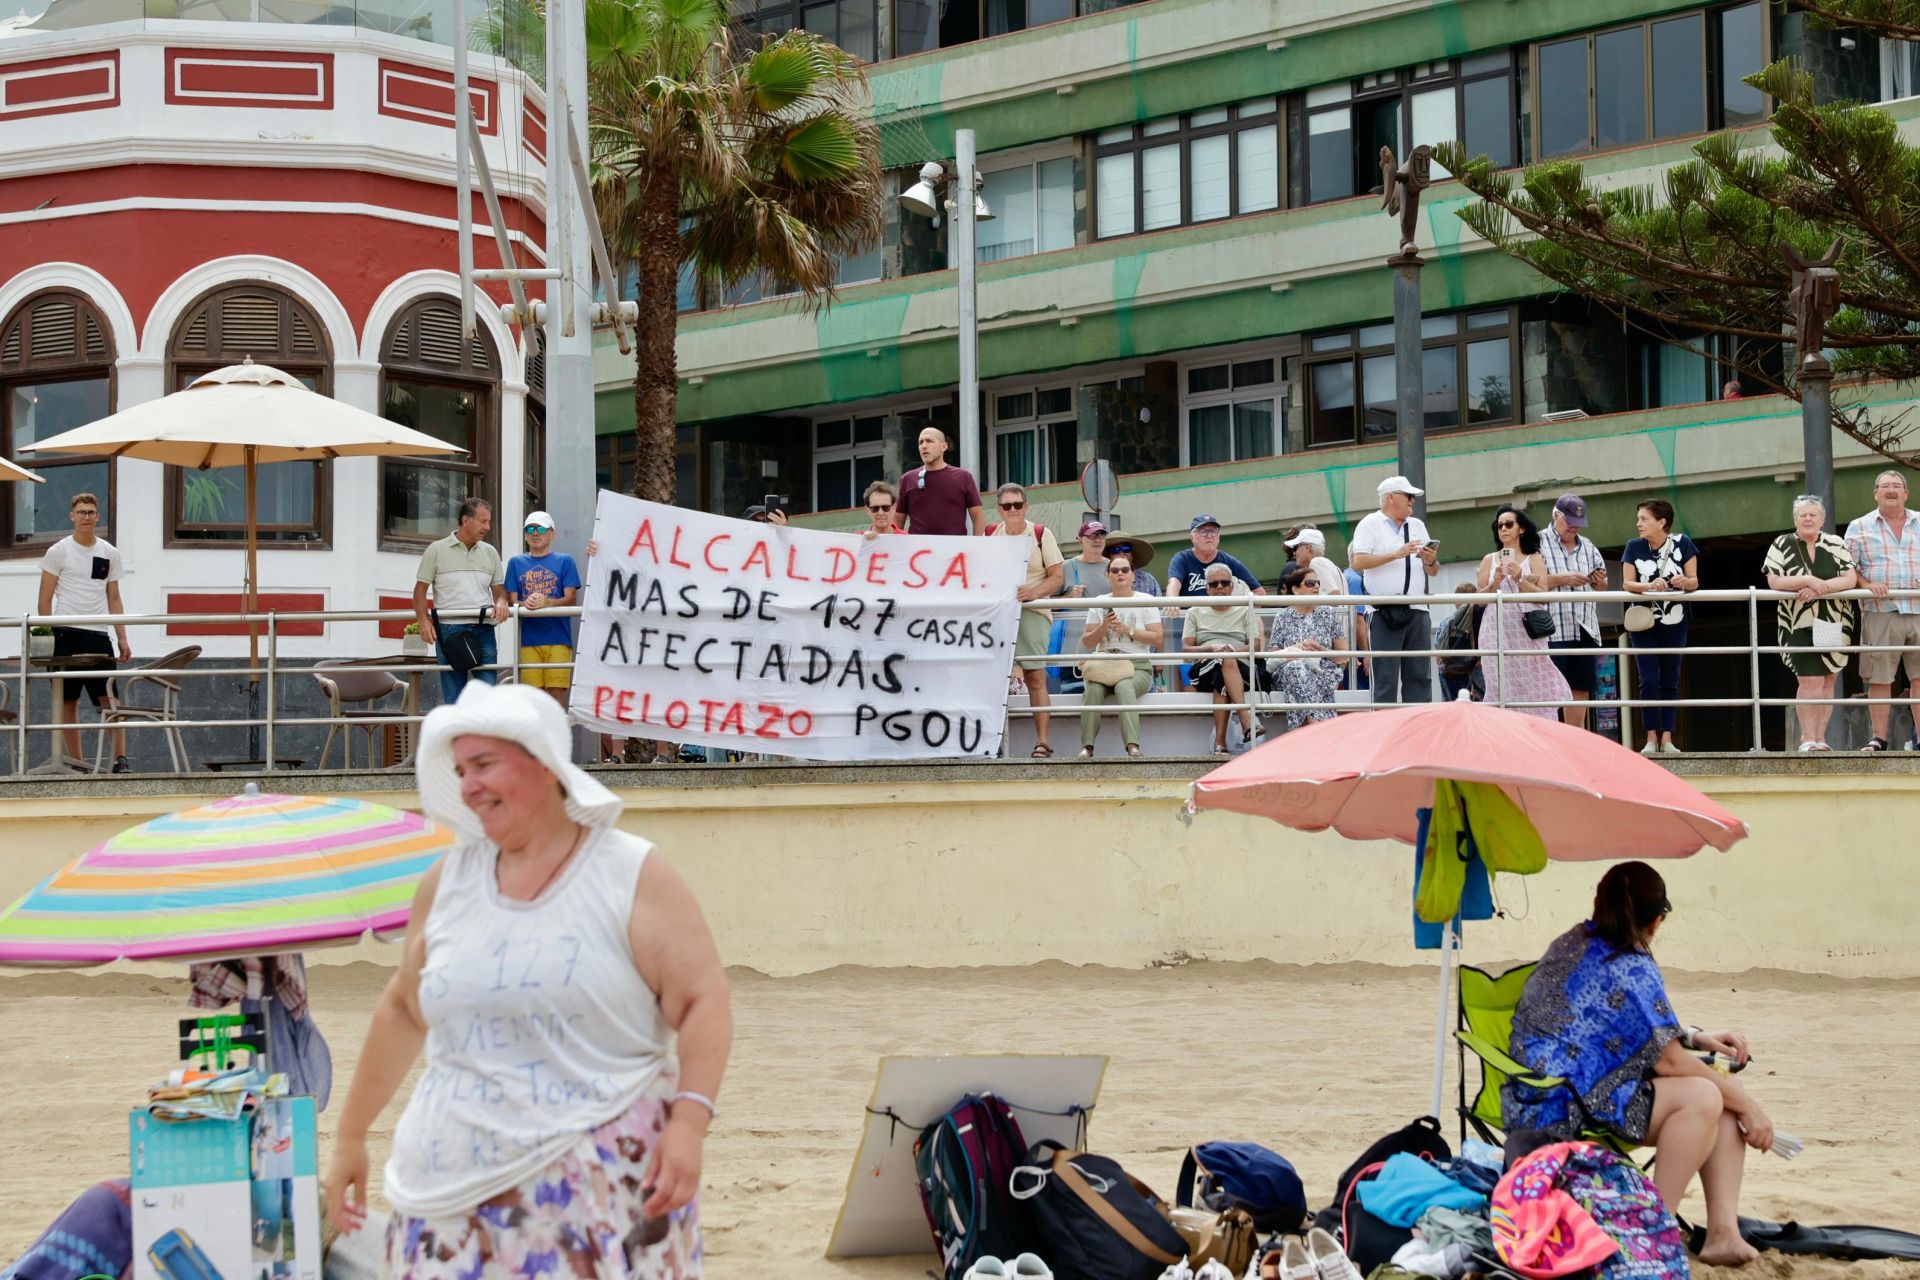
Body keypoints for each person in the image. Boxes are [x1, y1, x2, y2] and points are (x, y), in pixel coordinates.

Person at [323, 682, 731, 1277]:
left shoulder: (629, 872)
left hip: (600, 1192)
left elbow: (703, 1000)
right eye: (461, 769)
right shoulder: (447, 882)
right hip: (449, 1191)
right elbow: (404, 1010)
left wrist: (690, 1126)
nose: (468, 786)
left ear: (544, 765)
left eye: (484, 764)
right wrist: (351, 1137)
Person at [1507, 861, 1771, 1268]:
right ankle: (1650, 1227)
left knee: (1718, 1100)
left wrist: (1696, 1036)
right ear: (1656, 921)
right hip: (1571, 1108)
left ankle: (1723, 1234)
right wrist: (1748, 1103)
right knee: (1704, 1095)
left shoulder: (1571, 942)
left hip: (1529, 1096)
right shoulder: (1632, 963)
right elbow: (1668, 1063)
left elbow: (1624, 1022)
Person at [35, 492, 132, 771]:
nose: (86, 517)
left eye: (91, 512)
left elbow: (114, 597)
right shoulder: (58, 551)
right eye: (81, 512)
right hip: (64, 632)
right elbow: (44, 599)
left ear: (98, 516)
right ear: (72, 516)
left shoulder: (109, 552)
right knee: (68, 700)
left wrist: (122, 637)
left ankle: (120, 760)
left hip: (99, 634)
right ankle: (77, 763)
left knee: (109, 698)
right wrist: (47, 638)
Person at [1764, 495, 1857, 752]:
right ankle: (1807, 739)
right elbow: (1775, 580)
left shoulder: (1834, 542)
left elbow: (1849, 578)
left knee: (1828, 678)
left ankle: (1820, 739)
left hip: (1830, 617)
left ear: (1822, 519)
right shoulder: (1782, 543)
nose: (1807, 519)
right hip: (1797, 622)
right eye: (1802, 515)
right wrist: (1808, 580)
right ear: (1795, 519)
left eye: (1812, 515)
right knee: (1809, 680)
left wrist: (1820, 588)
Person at [1844, 470, 1920, 752]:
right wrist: (1866, 584)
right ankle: (1879, 739)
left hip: (1918, 607)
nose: (1891, 490)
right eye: (1885, 486)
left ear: (1906, 493)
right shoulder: (1859, 526)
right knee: (1879, 678)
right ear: (1875, 493)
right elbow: (1848, 567)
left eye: (1897, 486)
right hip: (1880, 609)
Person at [988, 483, 1064, 757]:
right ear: (999, 509)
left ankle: (1042, 741)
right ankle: (991, 743)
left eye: (1017, 505)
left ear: (1026, 506)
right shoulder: (991, 535)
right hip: (1000, 616)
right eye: (1007, 505)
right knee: (993, 678)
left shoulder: (1041, 534)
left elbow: (1057, 577)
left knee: (1035, 676)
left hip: (1032, 613)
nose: (1012, 510)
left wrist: (1034, 593)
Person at [1349, 476, 1440, 704]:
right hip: (1383, 610)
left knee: (1420, 677)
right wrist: (1395, 554)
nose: (1412, 501)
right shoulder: (1369, 524)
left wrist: (1430, 561)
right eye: (1408, 496)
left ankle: (1418, 732)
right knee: (1385, 679)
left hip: (1418, 609)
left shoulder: (1417, 525)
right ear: (1390, 497)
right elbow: (1358, 562)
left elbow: (1433, 571)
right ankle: (1384, 735)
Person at [1475, 505, 1571, 721]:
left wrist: (1519, 578)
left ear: (1521, 529)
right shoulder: (1489, 559)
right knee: (1499, 683)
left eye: (1509, 524)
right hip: (1495, 628)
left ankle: (1540, 733)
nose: (1503, 529)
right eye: (1499, 526)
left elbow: (1542, 596)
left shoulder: (1533, 558)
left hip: (1527, 630)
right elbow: (1478, 600)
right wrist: (1495, 583)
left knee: (1536, 680)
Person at [1622, 498, 1700, 755]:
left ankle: (1667, 737)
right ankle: (1650, 737)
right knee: (1648, 679)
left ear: (1661, 522)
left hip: (1674, 619)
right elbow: (1627, 584)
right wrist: (1649, 586)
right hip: (1643, 620)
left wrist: (1682, 581)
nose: (1638, 524)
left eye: (1644, 519)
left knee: (1670, 679)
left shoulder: (1683, 543)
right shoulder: (1634, 546)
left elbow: (1694, 581)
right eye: (1638, 519)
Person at [414, 497, 508, 705]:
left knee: (488, 697)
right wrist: (422, 620)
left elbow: (500, 592)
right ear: (466, 520)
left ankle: (484, 737)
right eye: (483, 521)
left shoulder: (490, 552)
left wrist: (502, 602)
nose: (488, 527)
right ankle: (457, 738)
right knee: (453, 698)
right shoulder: (436, 550)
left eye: (489, 522)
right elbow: (420, 590)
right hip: (449, 630)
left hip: (484, 630)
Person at [1165, 515, 1264, 691]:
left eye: (1213, 531)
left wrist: (1240, 610)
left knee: (1224, 671)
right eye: (1203, 531)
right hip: (1190, 626)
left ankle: (1238, 713)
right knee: (1191, 684)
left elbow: (1259, 593)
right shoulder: (1182, 558)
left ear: (1218, 537)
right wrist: (1171, 601)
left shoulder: (1227, 561)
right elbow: (1174, 583)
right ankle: (1193, 710)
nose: (1209, 535)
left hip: (1226, 628)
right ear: (1192, 536)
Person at [1077, 556, 1162, 758]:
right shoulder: (1100, 602)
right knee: (1093, 691)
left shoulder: (1145, 600)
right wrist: (1104, 626)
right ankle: (1087, 747)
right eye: (1114, 571)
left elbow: (1157, 638)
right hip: (1105, 665)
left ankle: (1133, 746)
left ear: (1133, 575)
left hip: (1137, 666)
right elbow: (1087, 642)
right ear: (1108, 576)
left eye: (1125, 570)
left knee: (1124, 686)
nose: (1120, 574)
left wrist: (1128, 630)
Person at [1537, 493, 1608, 731]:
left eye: (1578, 524)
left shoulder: (1588, 546)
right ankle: (1553, 744)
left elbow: (1603, 586)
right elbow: (1527, 582)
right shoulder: (1537, 542)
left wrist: (1598, 581)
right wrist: (1563, 578)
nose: (1574, 528)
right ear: (1556, 516)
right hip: (1551, 630)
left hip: (1584, 626)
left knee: (1580, 689)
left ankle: (1575, 740)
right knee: (1549, 692)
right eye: (1570, 522)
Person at [506, 511, 582, 710]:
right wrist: (527, 604)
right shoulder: (515, 563)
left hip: (559, 638)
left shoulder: (566, 561)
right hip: (528, 640)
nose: (535, 533)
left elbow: (572, 598)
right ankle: (536, 740)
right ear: (525, 535)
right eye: (530, 529)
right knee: (532, 697)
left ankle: (556, 739)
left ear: (552, 534)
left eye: (540, 528)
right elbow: (512, 601)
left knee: (557, 693)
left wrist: (547, 603)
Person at [1185, 562, 1263, 754]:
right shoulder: (1194, 611)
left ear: (1231, 586)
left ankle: (1219, 743)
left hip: (1240, 669)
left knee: (1223, 674)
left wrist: (1230, 650)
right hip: (1204, 668)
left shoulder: (1245, 610)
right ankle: (1246, 721)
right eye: (1214, 584)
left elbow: (1256, 645)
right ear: (1207, 588)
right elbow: (1186, 650)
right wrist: (1212, 648)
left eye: (1224, 583)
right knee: (1224, 660)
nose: (1220, 587)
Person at [1266, 561, 1347, 730]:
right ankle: (1316, 724)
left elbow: (1344, 656)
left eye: (1318, 583)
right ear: (1295, 590)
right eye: (1310, 583)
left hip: (1323, 670)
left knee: (1304, 674)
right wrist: (1292, 650)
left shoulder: (1328, 614)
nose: (1316, 587)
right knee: (1295, 668)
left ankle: (1303, 728)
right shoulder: (1283, 616)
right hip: (1290, 670)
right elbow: (1272, 655)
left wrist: (1321, 650)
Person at [1287, 525, 1369, 687]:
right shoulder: (1332, 566)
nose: (1295, 552)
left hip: (1330, 648)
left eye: (1298, 547)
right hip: (1337, 647)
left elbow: (1334, 597)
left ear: (1308, 548)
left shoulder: (1317, 562)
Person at [895, 427, 984, 536]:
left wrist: (977, 546)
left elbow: (977, 515)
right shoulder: (907, 479)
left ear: (944, 446)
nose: (924, 446)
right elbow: (898, 522)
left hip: (954, 549)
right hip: (919, 550)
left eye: (929, 441)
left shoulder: (963, 477)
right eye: (920, 442)